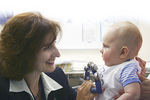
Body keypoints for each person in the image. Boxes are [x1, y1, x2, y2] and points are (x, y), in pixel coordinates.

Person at [0, 12, 97, 100]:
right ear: (21, 51)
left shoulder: (57, 76)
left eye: (54, 44)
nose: (57, 54)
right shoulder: (3, 88)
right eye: (47, 47)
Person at [95, 21, 143, 100]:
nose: (101, 50)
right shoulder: (113, 66)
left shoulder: (126, 69)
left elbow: (133, 94)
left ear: (123, 52)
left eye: (105, 46)